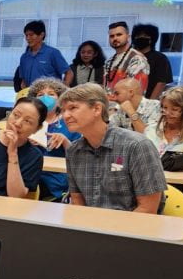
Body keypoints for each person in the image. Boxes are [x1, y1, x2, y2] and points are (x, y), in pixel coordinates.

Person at [60, 83, 166, 213]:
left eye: (73, 108)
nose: (65, 116)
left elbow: (148, 209)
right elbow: (78, 202)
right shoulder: (73, 151)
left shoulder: (137, 146)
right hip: (90, 228)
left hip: (131, 228)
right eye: (63, 110)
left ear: (97, 109)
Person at [27, 78, 80, 201]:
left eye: (51, 94)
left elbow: (79, 155)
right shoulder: (29, 121)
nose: (46, 98)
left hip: (56, 179)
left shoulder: (69, 123)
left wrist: (65, 141)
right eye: (40, 95)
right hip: (30, 173)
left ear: (61, 99)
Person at [18, 20, 71, 89]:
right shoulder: (24, 57)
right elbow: (23, 81)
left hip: (49, 96)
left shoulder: (53, 53)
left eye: (31, 35)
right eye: (26, 35)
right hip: (31, 97)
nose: (28, 38)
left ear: (41, 35)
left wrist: (64, 89)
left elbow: (69, 73)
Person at [104, 22, 149, 97]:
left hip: (127, 106)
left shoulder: (137, 58)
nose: (115, 38)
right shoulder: (109, 61)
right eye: (111, 36)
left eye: (119, 34)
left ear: (128, 36)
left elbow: (136, 92)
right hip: (109, 105)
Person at [131, 24, 172, 100]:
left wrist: (150, 103)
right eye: (138, 36)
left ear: (152, 39)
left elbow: (161, 83)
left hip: (148, 101)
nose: (141, 38)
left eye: (145, 36)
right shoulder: (129, 57)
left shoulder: (160, 58)